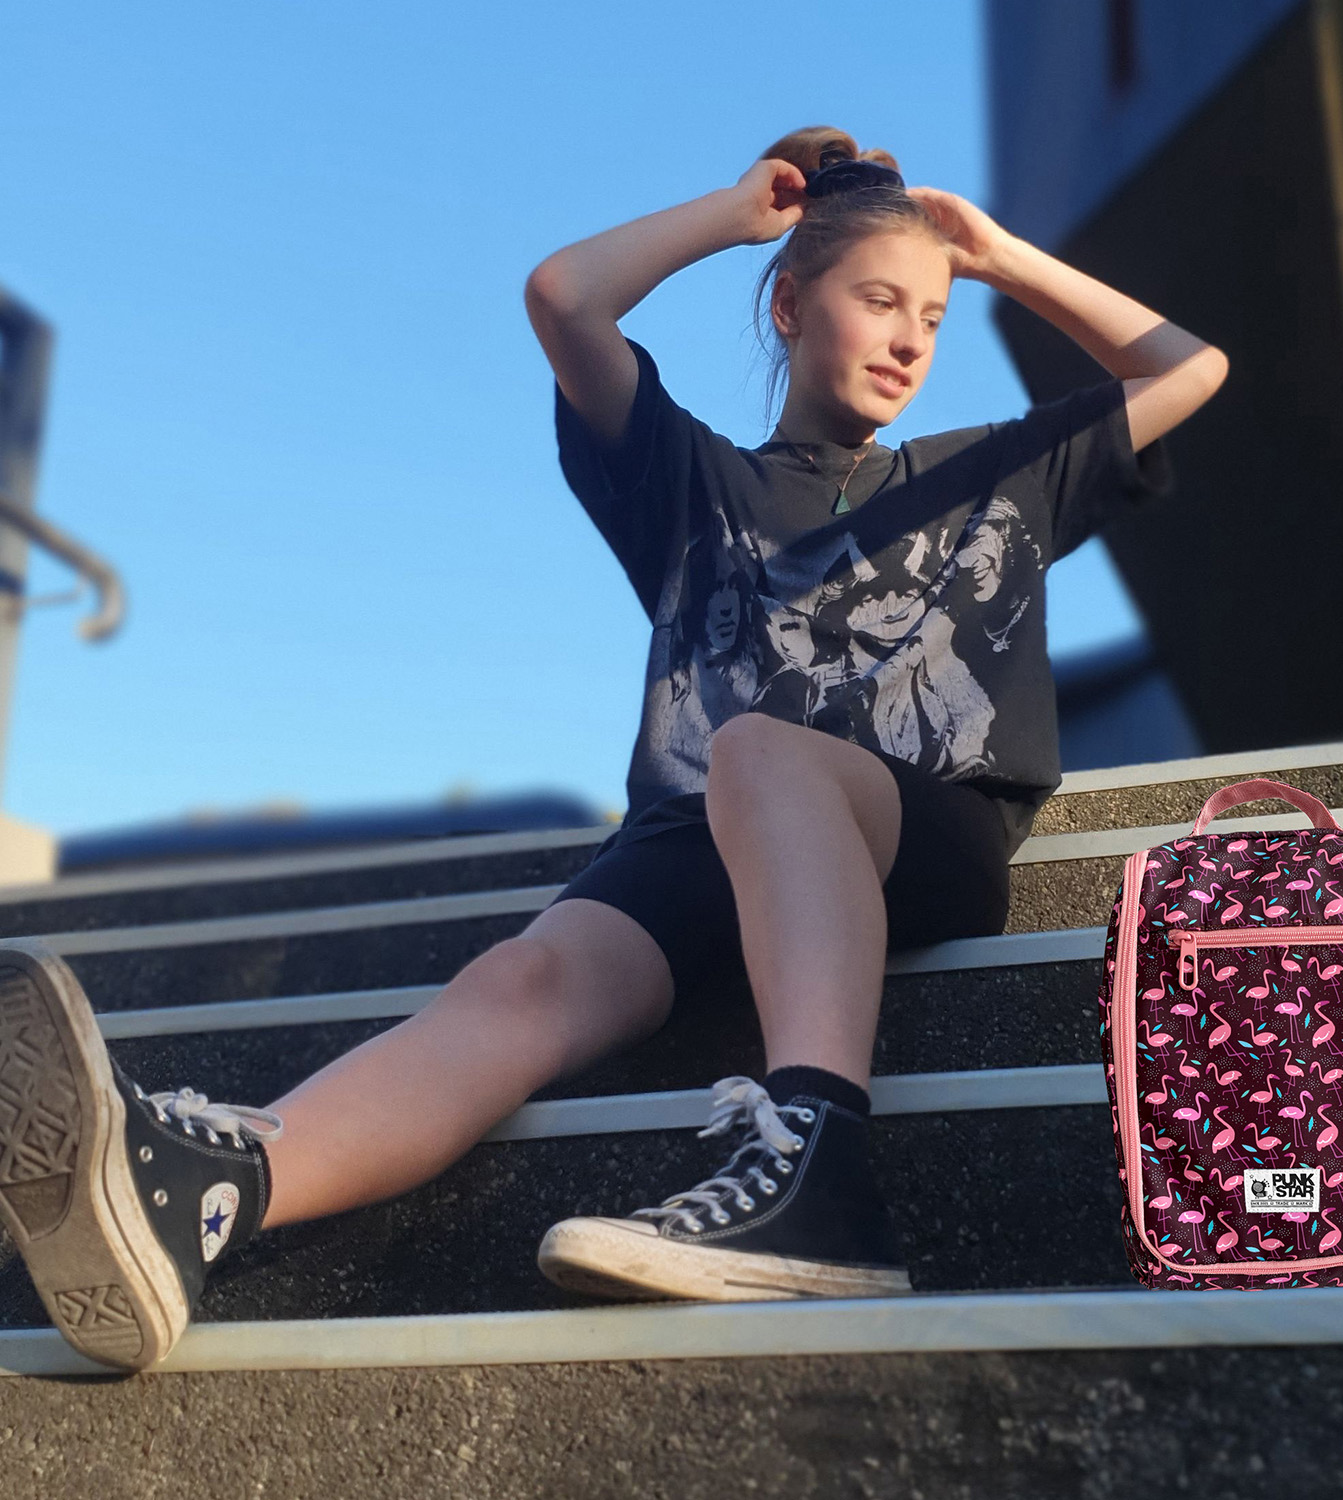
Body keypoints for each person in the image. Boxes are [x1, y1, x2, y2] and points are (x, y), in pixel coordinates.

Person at [0, 125, 1224, 1371]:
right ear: (791, 306)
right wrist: (734, 214)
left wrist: (999, 257)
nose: (911, 338)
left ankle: (821, 1174)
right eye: (877, 301)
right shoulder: (694, 484)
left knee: (762, 752)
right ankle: (215, 1193)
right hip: (699, 845)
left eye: (933, 315)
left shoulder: (994, 476)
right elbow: (565, 295)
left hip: (913, 830)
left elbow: (1190, 365)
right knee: (518, 980)